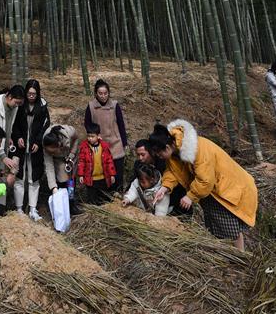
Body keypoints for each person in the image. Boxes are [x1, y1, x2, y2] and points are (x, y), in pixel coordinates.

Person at [149, 119, 258, 251]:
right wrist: (165, 187)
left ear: (167, 147)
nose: (159, 157)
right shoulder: (175, 151)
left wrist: (190, 196)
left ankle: (239, 258)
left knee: (229, 229)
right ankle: (226, 254)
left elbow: (206, 180)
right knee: (214, 225)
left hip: (225, 188)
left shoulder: (196, 148)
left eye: (159, 154)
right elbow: (174, 171)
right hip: (210, 191)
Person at [11, 79, 50, 221]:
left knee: (34, 179)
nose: (31, 96)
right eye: (29, 93)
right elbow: (13, 124)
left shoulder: (43, 107)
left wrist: (38, 142)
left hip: (35, 149)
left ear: (38, 93)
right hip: (20, 148)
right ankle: (19, 209)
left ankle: (33, 209)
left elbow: (45, 126)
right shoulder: (19, 105)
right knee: (19, 177)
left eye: (34, 94)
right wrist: (18, 137)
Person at [84, 79, 128, 192]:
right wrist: (93, 138)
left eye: (105, 93)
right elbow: (87, 125)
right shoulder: (91, 106)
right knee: (104, 175)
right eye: (100, 93)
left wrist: (124, 143)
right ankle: (106, 200)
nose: (103, 96)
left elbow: (121, 124)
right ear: (96, 93)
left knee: (117, 175)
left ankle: (118, 196)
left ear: (108, 93)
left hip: (115, 143)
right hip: (99, 145)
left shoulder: (114, 105)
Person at [133, 137, 190, 217]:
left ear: (151, 152)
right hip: (152, 200)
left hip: (174, 198)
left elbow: (173, 181)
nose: (140, 158)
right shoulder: (138, 165)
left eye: (143, 154)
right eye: (138, 155)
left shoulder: (163, 162)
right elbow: (135, 182)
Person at [43, 123, 80, 212]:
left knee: (71, 180)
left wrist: (72, 154)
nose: (50, 153)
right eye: (49, 152)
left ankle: (71, 204)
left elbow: (76, 139)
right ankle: (62, 205)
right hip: (58, 159)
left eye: (52, 152)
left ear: (59, 145)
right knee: (62, 180)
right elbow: (49, 167)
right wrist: (53, 187)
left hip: (70, 155)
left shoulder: (70, 132)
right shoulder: (46, 143)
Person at [76, 122, 116, 205]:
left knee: (103, 195)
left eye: (92, 136)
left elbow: (109, 161)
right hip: (91, 178)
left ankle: (103, 208)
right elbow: (81, 161)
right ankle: (93, 209)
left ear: (98, 136)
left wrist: (112, 174)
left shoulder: (104, 146)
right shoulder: (84, 147)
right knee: (92, 196)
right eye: (88, 136)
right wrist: (81, 175)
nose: (90, 138)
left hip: (102, 177)